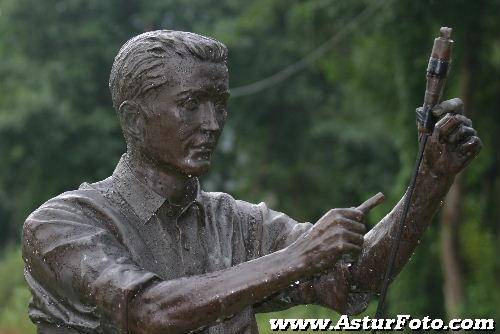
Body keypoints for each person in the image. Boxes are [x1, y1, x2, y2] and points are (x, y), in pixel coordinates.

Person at [22, 30, 482, 334]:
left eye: (220, 103)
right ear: (133, 117)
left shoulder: (238, 223)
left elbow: (356, 278)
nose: (213, 122)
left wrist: (430, 179)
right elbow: (150, 312)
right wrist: (299, 256)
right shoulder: (63, 224)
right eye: (191, 103)